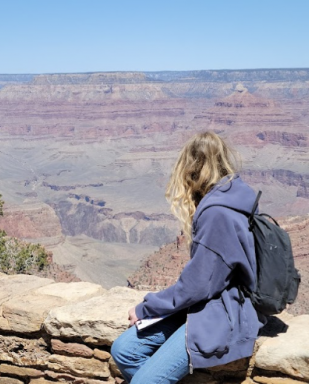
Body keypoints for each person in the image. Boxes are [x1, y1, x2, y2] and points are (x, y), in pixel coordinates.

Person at [110, 131, 262, 383]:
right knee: (124, 352)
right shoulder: (234, 193)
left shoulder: (217, 214)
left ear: (191, 169)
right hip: (207, 303)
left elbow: (197, 285)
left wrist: (145, 307)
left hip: (224, 311)